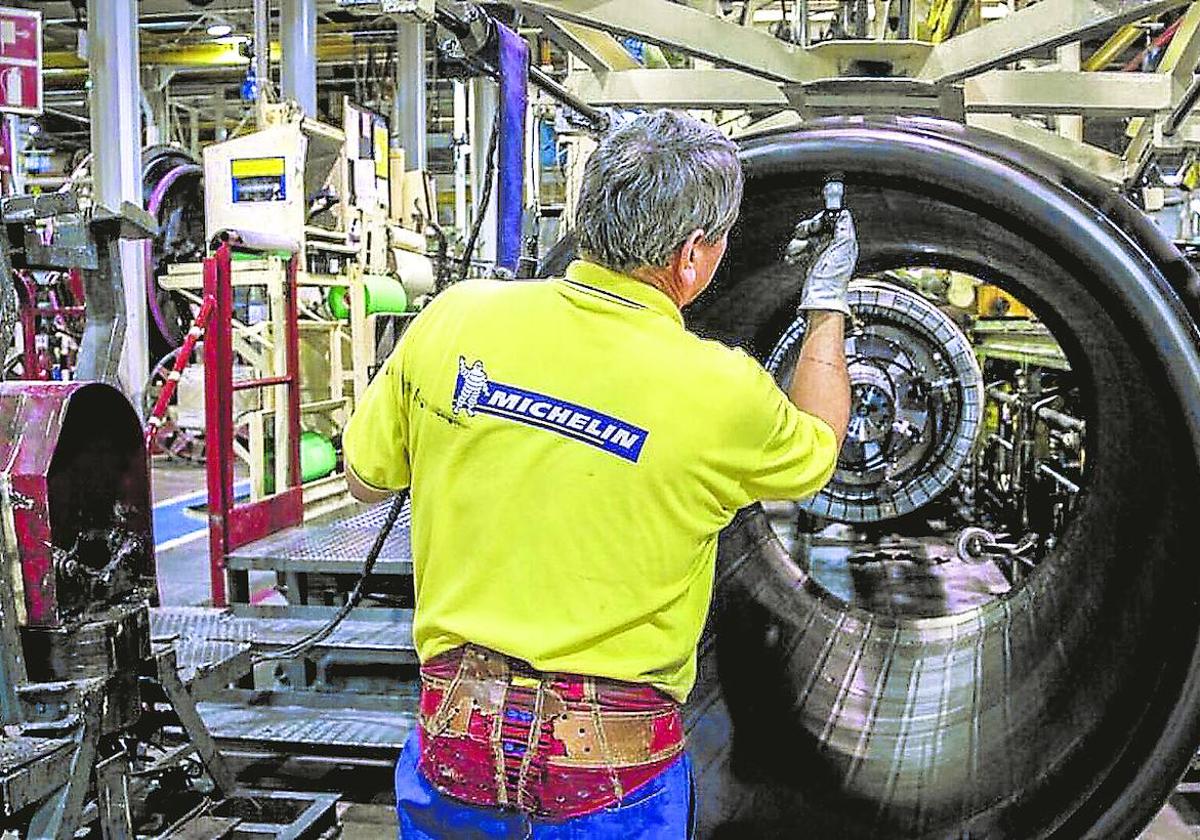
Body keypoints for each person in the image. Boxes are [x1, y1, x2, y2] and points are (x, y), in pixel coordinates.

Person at [342, 109, 855, 839]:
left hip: (455, 749)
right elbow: (820, 450)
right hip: (604, 781)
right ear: (690, 259)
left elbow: (365, 480)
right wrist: (826, 301)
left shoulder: (453, 321)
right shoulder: (721, 391)